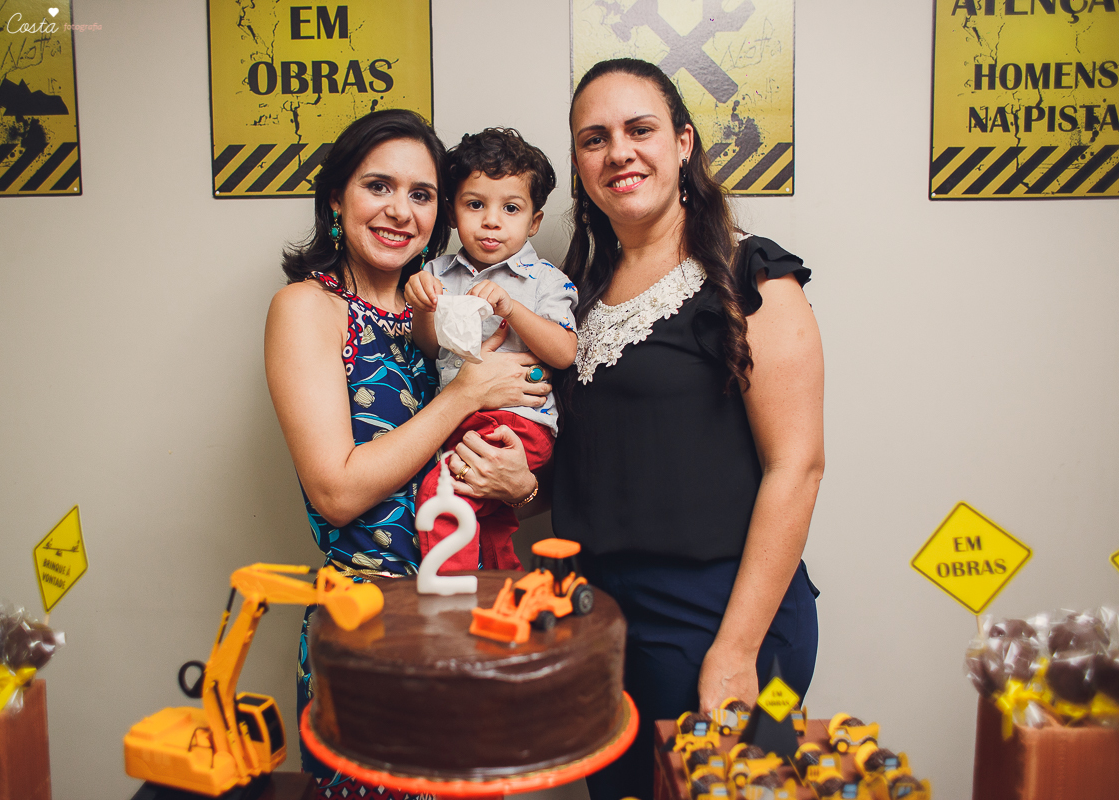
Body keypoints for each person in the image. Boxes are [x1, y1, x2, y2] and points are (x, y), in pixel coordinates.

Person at [552, 59, 824, 800]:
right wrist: (522, 486)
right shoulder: (574, 299)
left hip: (724, 617)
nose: (619, 152)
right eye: (594, 139)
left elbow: (797, 466)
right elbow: (603, 467)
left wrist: (735, 650)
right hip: (600, 621)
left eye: (639, 130)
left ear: (682, 143)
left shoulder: (750, 275)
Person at [264, 109, 545, 796]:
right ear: (336, 198)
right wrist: (466, 394)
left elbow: (495, 455)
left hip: (474, 617)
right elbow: (336, 492)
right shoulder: (308, 308)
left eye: (421, 194)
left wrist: (522, 487)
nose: (400, 211)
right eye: (378, 186)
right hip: (370, 626)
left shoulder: (447, 313)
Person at [406, 127, 578, 573]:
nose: (491, 221)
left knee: (442, 496)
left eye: (511, 208)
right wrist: (422, 307)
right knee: (489, 520)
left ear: (534, 222)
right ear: (451, 212)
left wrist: (513, 309)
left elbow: (564, 353)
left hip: (518, 424)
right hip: (457, 419)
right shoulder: (437, 272)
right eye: (475, 204)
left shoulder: (546, 281)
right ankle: (501, 584)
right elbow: (429, 348)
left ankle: (451, 598)